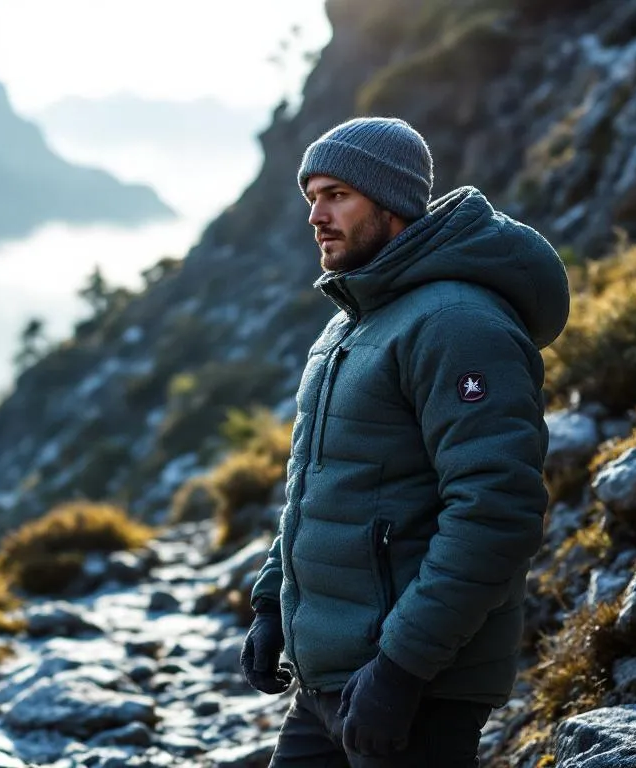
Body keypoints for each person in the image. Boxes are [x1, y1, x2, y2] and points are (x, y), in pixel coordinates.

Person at [239, 116, 570, 767]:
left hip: (415, 690)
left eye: (337, 195)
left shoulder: (457, 323)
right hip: (331, 681)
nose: (316, 216)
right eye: (312, 197)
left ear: (390, 203)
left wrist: (400, 669)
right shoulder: (351, 325)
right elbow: (317, 487)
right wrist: (273, 603)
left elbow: (496, 510)